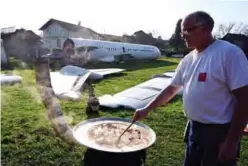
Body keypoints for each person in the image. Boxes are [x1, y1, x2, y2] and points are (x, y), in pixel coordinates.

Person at [132, 11, 248, 166]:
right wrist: (147, 108)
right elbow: (171, 89)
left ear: (205, 29)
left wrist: (232, 141)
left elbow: (245, 98)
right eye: (182, 31)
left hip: (219, 133)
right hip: (194, 129)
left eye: (187, 30)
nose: (183, 35)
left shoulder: (229, 54)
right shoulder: (188, 59)